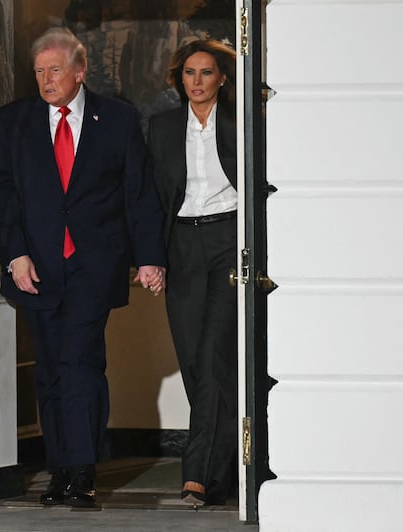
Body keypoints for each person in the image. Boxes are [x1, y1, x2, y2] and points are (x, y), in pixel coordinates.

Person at [0, 27, 166, 508]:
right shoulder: (14, 121)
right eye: (39, 71)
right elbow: (2, 196)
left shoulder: (119, 120)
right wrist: (15, 254)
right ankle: (60, 469)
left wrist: (149, 257)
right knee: (49, 369)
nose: (45, 80)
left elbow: (139, 194)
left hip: (94, 263)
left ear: (80, 72)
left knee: (80, 361)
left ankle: (83, 472)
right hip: (35, 266)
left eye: (55, 70)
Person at [147, 38, 238, 506]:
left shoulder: (243, 123)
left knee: (214, 355)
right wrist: (150, 257)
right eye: (189, 73)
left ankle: (197, 475)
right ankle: (227, 471)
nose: (197, 82)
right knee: (193, 360)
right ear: (179, 79)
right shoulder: (162, 127)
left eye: (206, 73)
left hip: (229, 241)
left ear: (222, 77)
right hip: (181, 243)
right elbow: (149, 199)